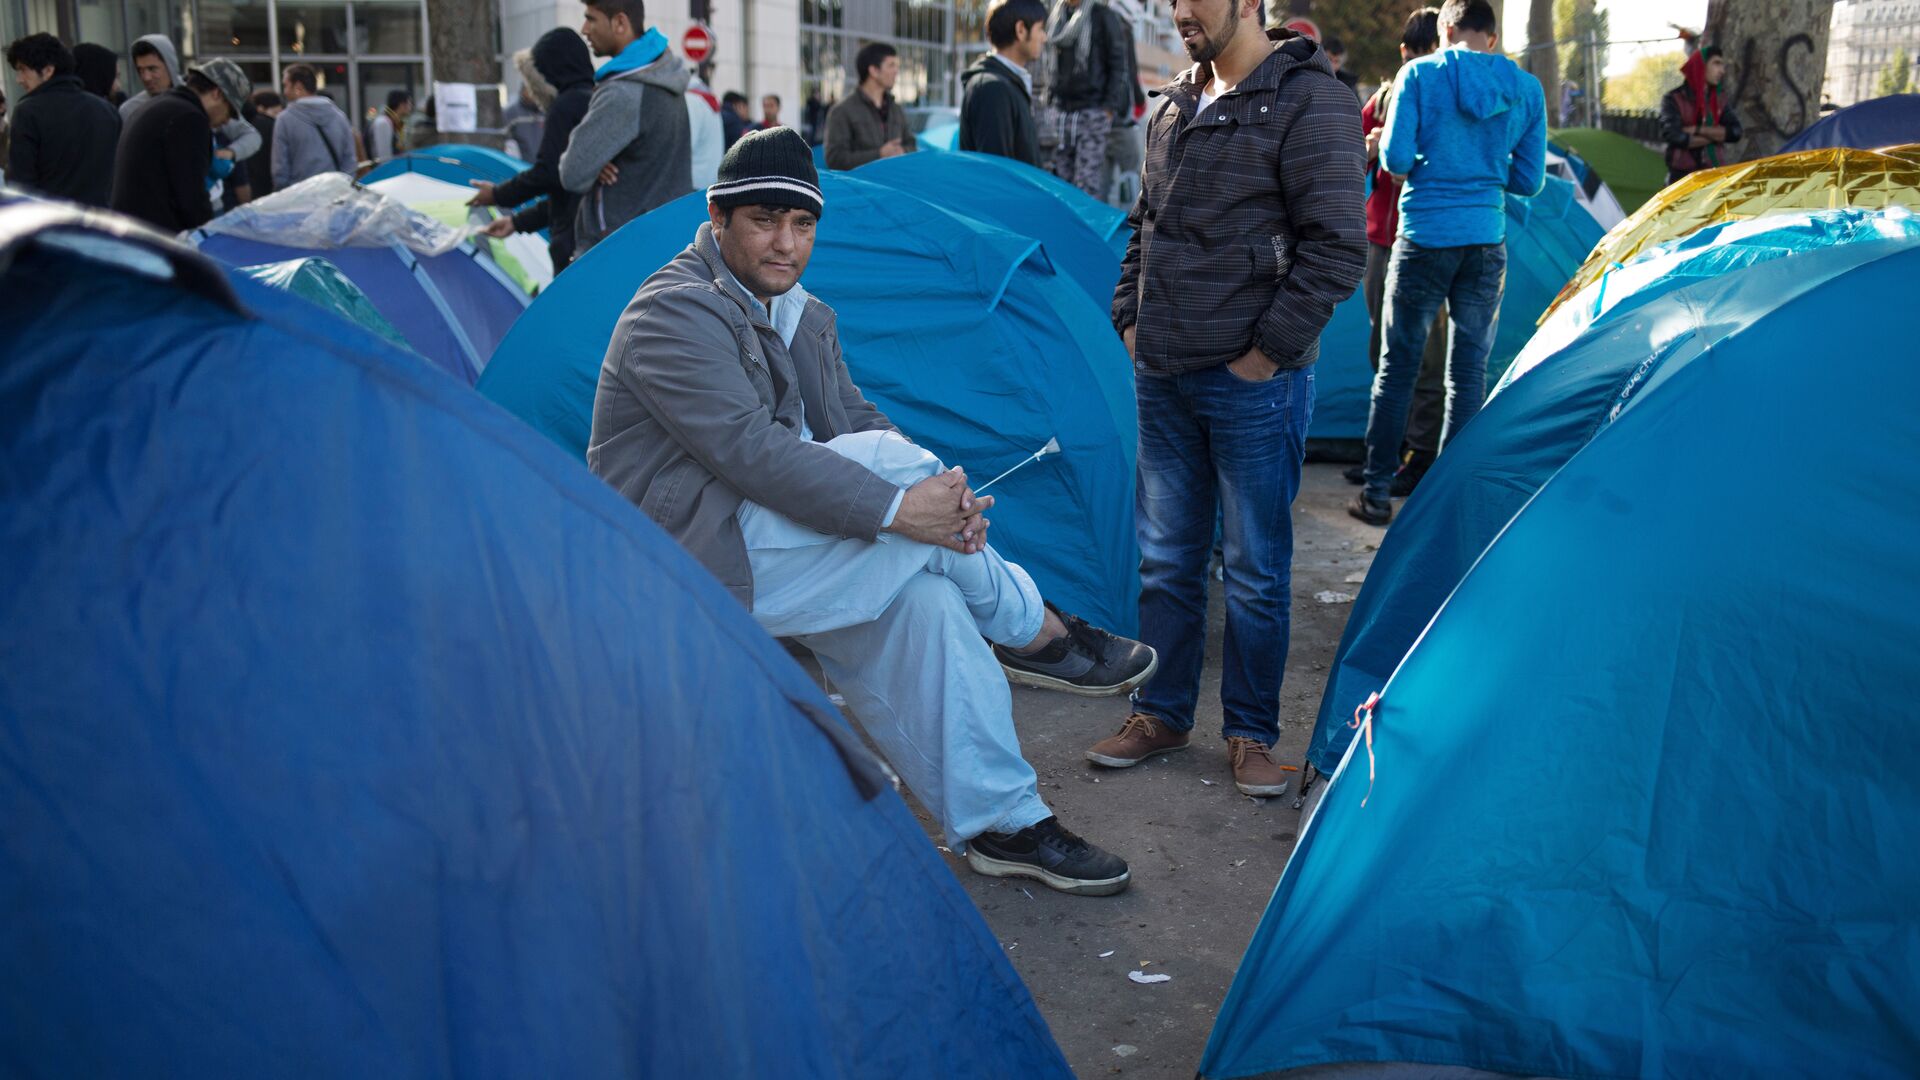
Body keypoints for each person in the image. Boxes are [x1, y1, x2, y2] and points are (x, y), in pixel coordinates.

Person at [591, 127, 1154, 895]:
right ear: (718, 219)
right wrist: (900, 509)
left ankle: (1007, 823)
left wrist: (939, 510)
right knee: (895, 485)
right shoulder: (673, 313)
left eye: (803, 224)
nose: (786, 243)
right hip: (686, 559)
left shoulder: (799, 313)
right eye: (764, 220)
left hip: (776, 544)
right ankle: (1034, 629)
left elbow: (858, 421)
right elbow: (755, 454)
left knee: (928, 606)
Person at [1096, 5, 1366, 794]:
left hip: (1255, 385)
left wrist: (1263, 356)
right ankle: (1162, 712)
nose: (1182, 9)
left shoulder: (1312, 99)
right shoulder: (1176, 98)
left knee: (1253, 570)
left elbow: (1337, 248)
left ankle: (1250, 732)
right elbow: (1144, 223)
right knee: (1168, 562)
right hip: (1165, 376)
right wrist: (1129, 320)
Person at [1349, 0, 1544, 526]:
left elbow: (1393, 161)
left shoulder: (1417, 75)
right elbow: (1528, 181)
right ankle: (1450, 503)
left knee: (1397, 368)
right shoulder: (1526, 89)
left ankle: (1375, 494)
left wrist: (1436, 161)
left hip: (1423, 239)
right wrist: (1485, 166)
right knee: (1467, 374)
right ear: (1493, 36)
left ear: (1446, 30)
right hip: (1486, 243)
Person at [1344, 6, 1448, 497]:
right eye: (1415, 54)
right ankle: (1384, 449)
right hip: (1379, 241)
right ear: (1404, 54)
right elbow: (1347, 152)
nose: (1422, 63)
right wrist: (1369, 145)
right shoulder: (1384, 99)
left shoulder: (1446, 98)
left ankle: (1420, 456)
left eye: (1431, 53)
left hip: (1428, 242)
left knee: (1427, 355)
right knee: (1380, 348)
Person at [559, 0, 692, 255]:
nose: (584, 29)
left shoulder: (623, 93)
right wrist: (595, 162)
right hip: (659, 241)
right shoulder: (663, 75)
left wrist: (592, 162)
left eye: (591, 18)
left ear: (620, 22)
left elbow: (572, 173)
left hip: (619, 250)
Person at [472, 27, 596, 271]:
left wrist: (497, 194)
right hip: (592, 234)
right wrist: (517, 222)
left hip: (573, 241)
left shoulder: (565, 106)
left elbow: (549, 173)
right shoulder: (596, 99)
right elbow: (566, 192)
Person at [110, 58, 250, 233]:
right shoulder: (189, 118)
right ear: (217, 94)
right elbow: (191, 197)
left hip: (135, 232)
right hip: (159, 237)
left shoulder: (163, 105)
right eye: (229, 111)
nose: (226, 121)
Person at [5, 33, 120, 207]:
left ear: (48, 71)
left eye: (23, 70)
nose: (19, 79)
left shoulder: (28, 112)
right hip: (101, 225)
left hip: (52, 226)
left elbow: (21, 186)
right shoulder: (107, 111)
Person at [120, 35, 261, 173]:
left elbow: (251, 136)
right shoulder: (130, 110)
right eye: (140, 70)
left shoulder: (200, 98)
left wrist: (228, 153)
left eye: (152, 69)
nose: (146, 77)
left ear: (170, 65)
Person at [1040, 0, 1131, 197]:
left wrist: (1107, 108)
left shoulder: (1103, 15)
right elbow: (1047, 65)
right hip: (1061, 112)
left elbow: (1118, 65)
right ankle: (1064, 228)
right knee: (1059, 184)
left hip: (1093, 111)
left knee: (1087, 184)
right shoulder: (1054, 17)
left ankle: (1084, 227)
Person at [960, 0, 1048, 165]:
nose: (1044, 37)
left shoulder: (1006, 82)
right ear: (1021, 30)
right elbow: (996, 174)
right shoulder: (992, 89)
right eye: (1041, 29)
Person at [823, 42, 916, 169]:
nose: (896, 71)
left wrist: (903, 151)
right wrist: (879, 154)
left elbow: (912, 145)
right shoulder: (842, 111)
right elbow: (835, 159)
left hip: (894, 186)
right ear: (873, 71)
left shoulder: (896, 110)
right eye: (891, 65)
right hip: (861, 187)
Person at [1660, 45, 1740, 184]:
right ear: (1701, 66)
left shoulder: (1719, 100)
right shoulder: (1674, 99)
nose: (1722, 71)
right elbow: (1675, 136)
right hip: (1682, 178)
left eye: (1722, 65)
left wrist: (1697, 130)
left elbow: (1735, 132)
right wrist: (1717, 135)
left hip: (1714, 176)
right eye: (1716, 63)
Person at [272, 63, 356, 187]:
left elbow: (280, 167)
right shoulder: (339, 116)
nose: (284, 91)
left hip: (299, 196)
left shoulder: (285, 119)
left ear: (298, 87)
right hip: (334, 194)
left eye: (286, 85)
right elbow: (349, 160)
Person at [685, 67, 725, 188]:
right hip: (710, 179)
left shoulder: (691, 100)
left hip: (693, 179)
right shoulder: (708, 100)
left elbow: (687, 142)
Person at [243, 90, 283, 198]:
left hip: (251, 186)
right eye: (275, 113)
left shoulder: (244, 126)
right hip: (271, 186)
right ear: (260, 108)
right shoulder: (274, 126)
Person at [501, 73, 544, 161]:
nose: (533, 94)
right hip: (520, 167)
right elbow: (504, 140)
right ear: (523, 91)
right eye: (529, 89)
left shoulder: (547, 112)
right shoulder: (512, 113)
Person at [368, 88, 413, 163]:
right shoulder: (383, 123)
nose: (411, 106)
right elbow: (384, 158)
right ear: (402, 105)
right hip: (383, 172)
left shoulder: (398, 124)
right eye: (409, 103)